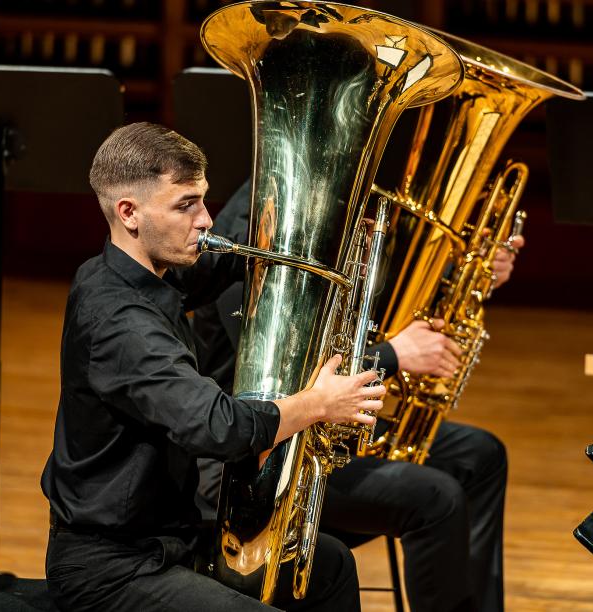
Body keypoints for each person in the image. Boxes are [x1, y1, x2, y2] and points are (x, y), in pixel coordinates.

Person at [40, 123, 386, 611]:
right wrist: (318, 404)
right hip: (112, 567)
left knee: (330, 566)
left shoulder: (134, 270)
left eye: (202, 200)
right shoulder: (120, 324)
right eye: (186, 205)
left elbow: (216, 267)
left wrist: (321, 219)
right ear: (129, 213)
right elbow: (217, 427)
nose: (205, 220)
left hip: (170, 536)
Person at [194, 179, 524, 612]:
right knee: (436, 498)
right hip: (258, 461)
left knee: (480, 455)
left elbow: (371, 311)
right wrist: (394, 354)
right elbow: (287, 378)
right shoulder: (247, 247)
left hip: (325, 431)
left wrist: (469, 272)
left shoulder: (328, 221)